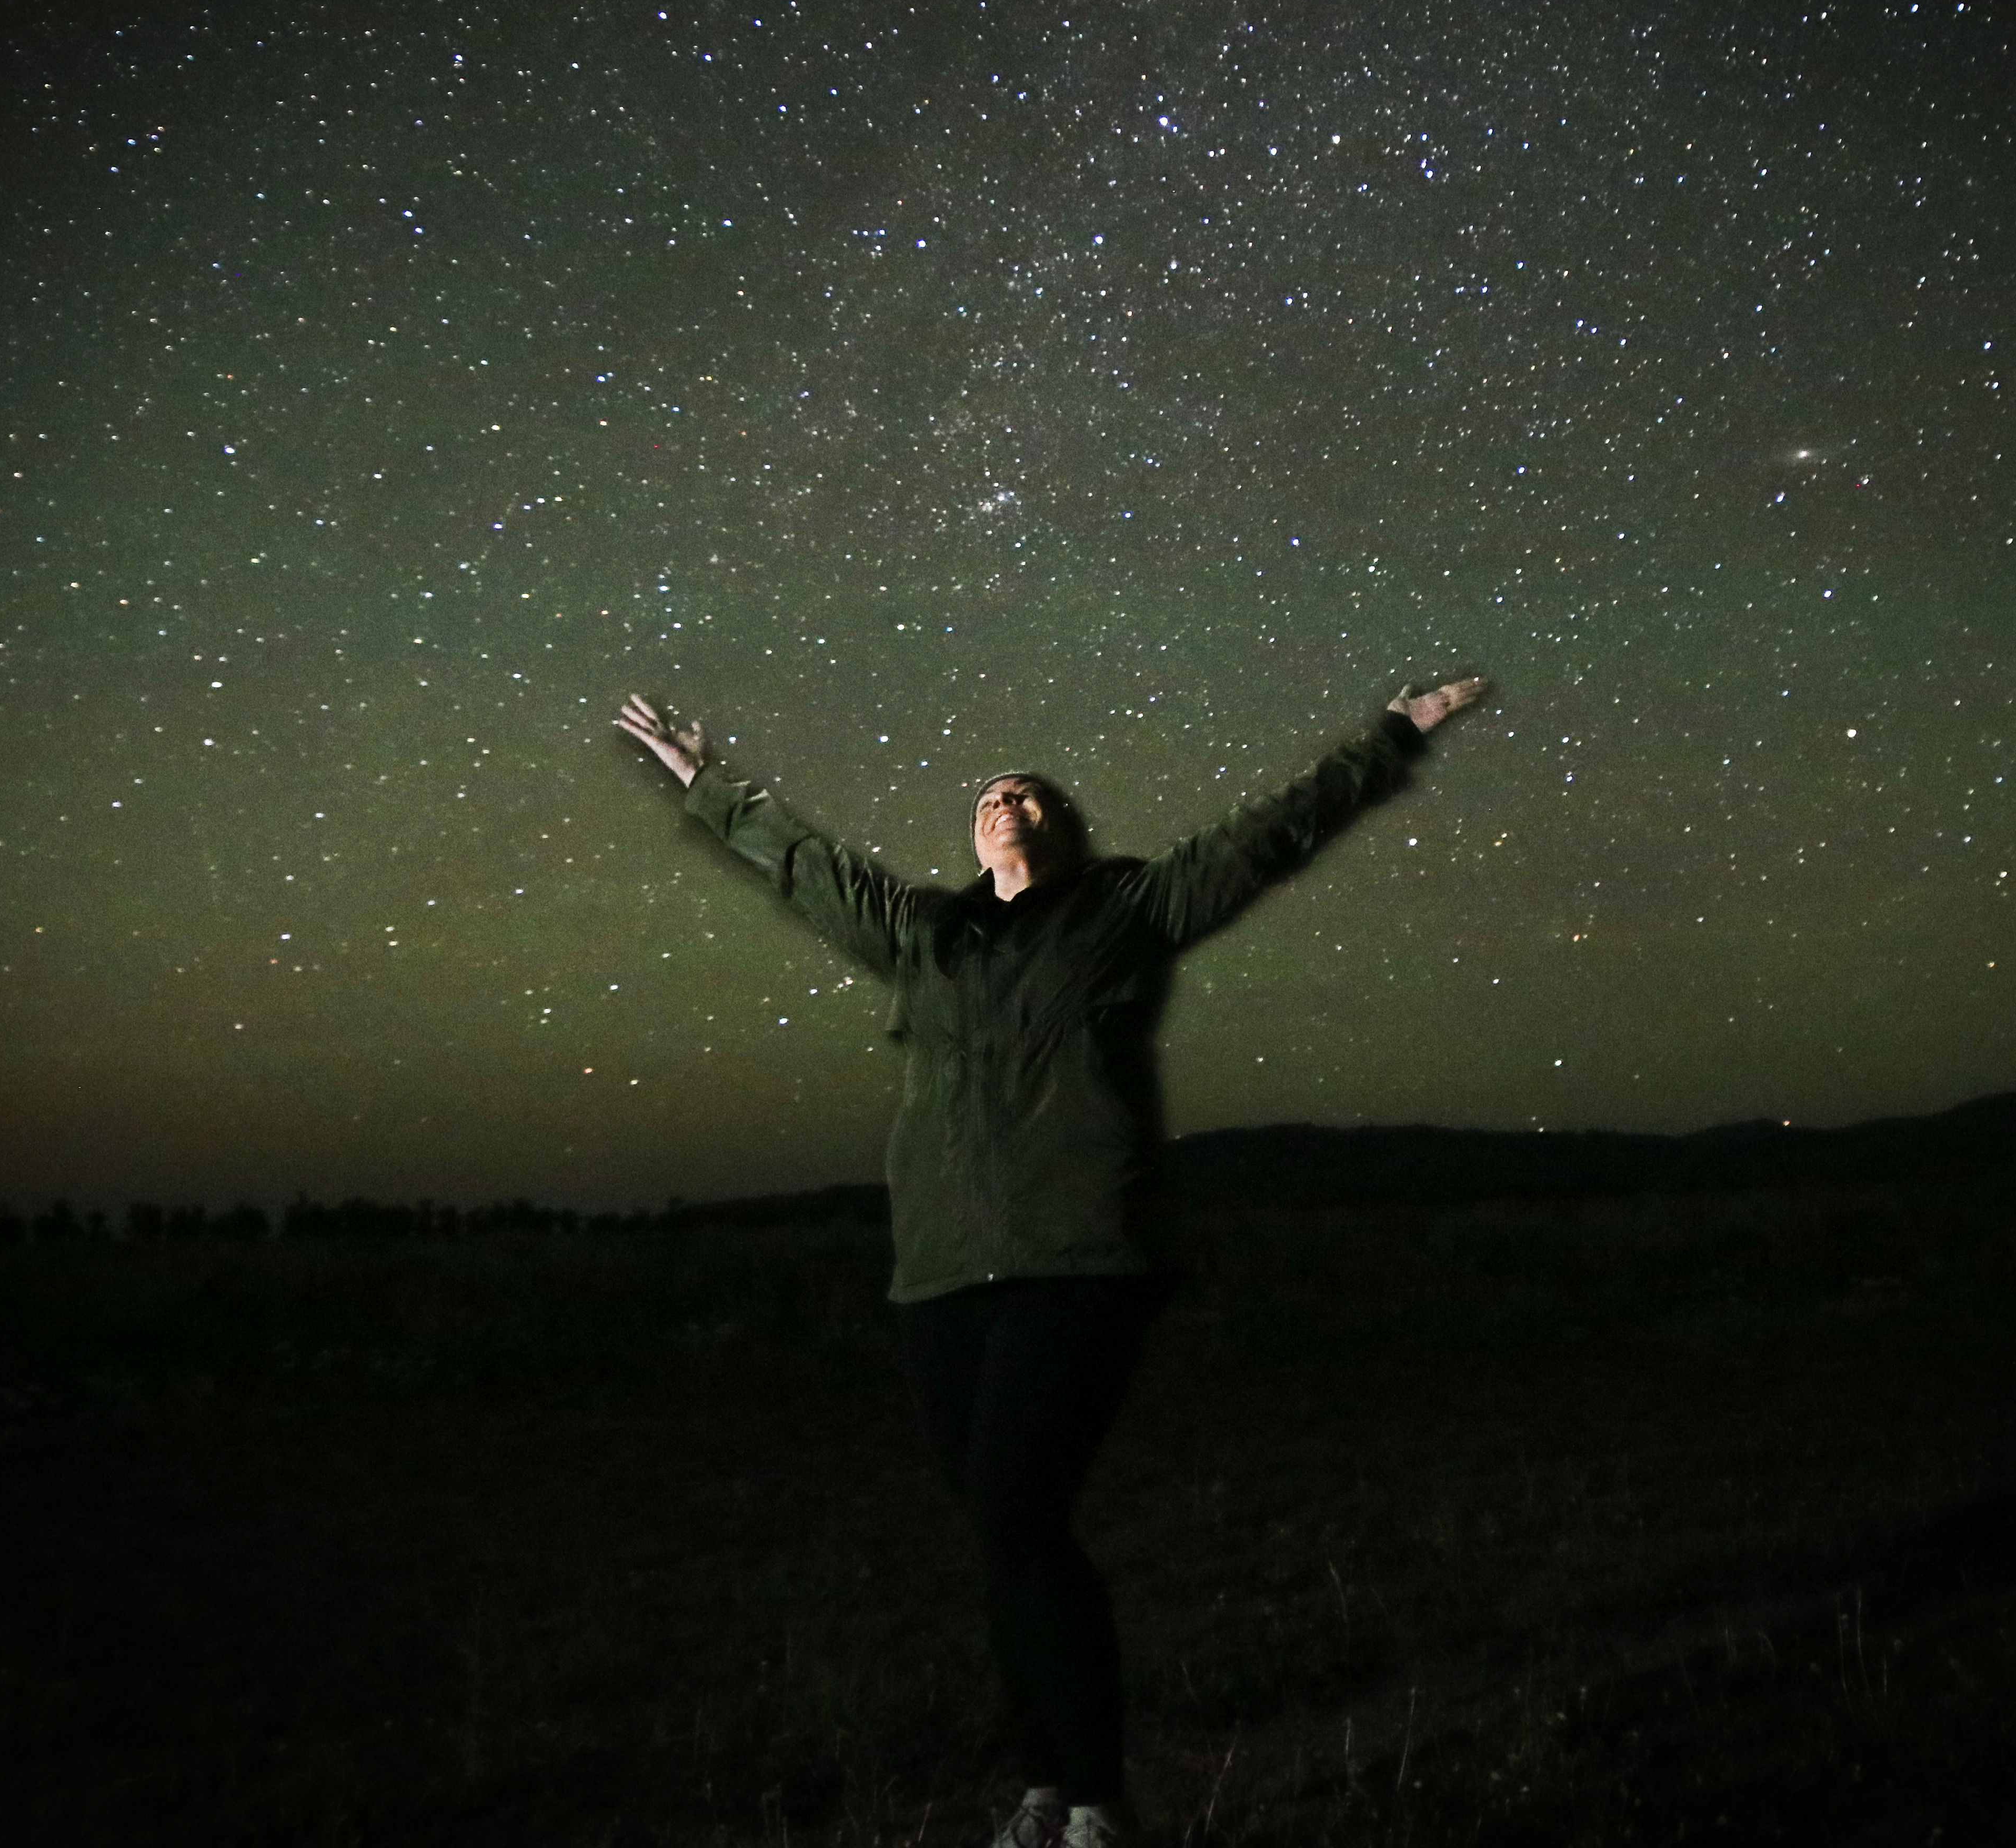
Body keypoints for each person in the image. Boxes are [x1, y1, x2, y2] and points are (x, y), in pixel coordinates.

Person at [615, 674, 1487, 1848]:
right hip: (938, 1273)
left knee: (1017, 1512)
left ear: (1067, 828)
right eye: (987, 791)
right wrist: (703, 780)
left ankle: (1093, 1801)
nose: (1003, 796)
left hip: (1074, 1260)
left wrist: (1391, 737)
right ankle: (1046, 1784)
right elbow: (808, 866)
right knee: (1001, 1529)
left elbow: (1266, 833)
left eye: (1027, 791)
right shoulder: (928, 933)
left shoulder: (1125, 908)